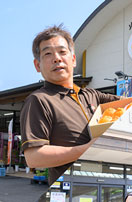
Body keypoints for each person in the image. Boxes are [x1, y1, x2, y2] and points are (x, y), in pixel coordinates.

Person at [20, 25, 121, 185]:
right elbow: (34, 158)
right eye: (47, 53)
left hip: (107, 186)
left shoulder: (91, 95)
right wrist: (88, 149)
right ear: (37, 65)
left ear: (73, 59)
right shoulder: (39, 100)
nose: (57, 58)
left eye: (62, 51)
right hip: (70, 191)